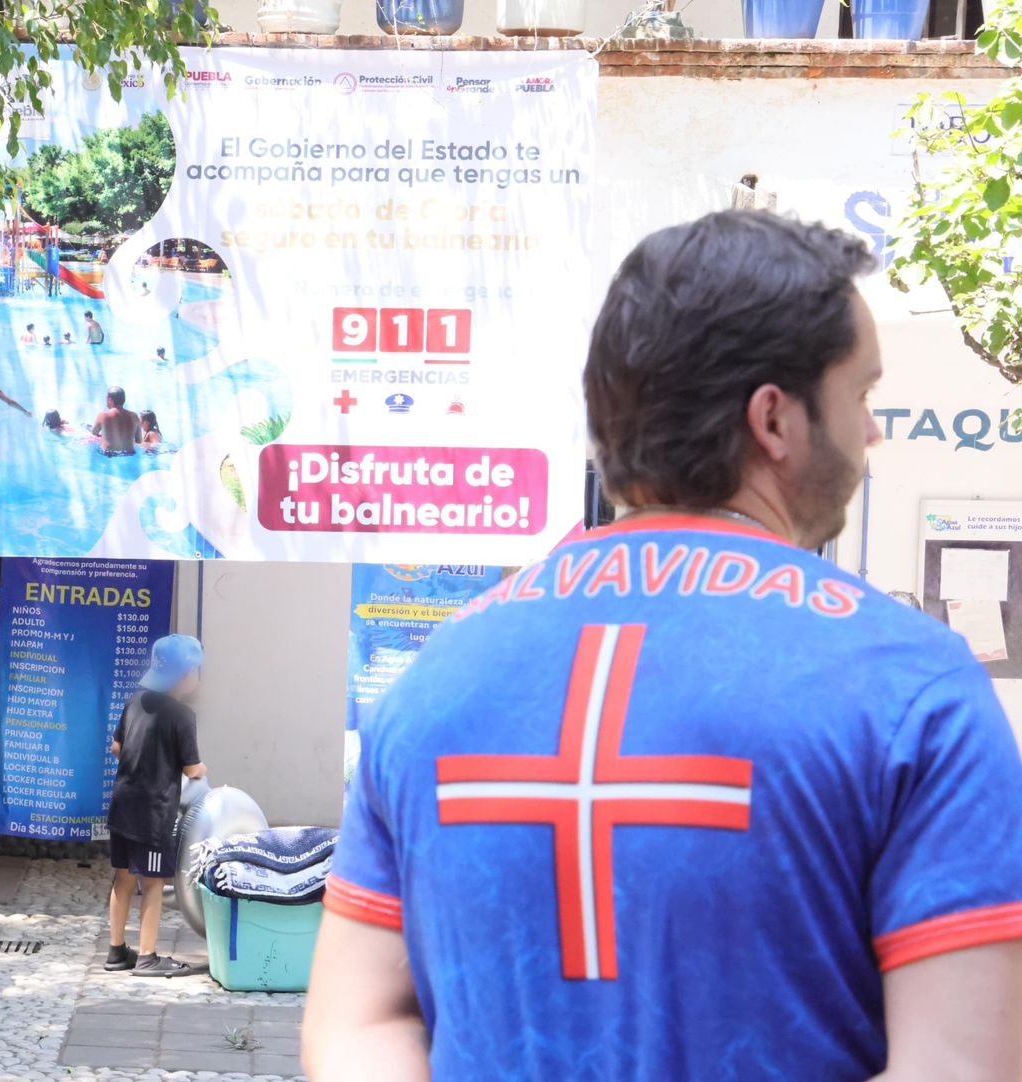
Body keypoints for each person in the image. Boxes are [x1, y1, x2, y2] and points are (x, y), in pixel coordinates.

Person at [304, 211, 1022, 1082]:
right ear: (775, 419)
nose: (872, 431)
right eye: (862, 395)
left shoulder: (436, 678)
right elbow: (962, 1066)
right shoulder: (914, 686)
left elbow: (360, 1023)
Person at [104, 635, 207, 978]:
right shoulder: (183, 715)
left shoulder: (135, 702)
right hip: (153, 813)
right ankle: (147, 957)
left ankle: (116, 951)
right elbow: (191, 769)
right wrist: (201, 770)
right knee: (152, 883)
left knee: (122, 878)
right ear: (188, 675)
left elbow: (116, 748)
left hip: (122, 804)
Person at [91, 387, 139, 455]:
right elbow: (138, 440)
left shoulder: (103, 415)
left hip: (108, 453)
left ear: (110, 400)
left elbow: (94, 433)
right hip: (129, 453)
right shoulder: (134, 416)